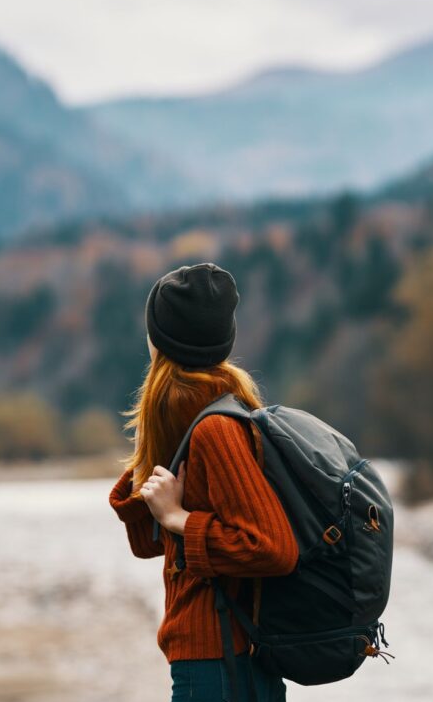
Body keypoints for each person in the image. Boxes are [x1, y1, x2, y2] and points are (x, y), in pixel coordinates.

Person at [108, 262, 298, 702]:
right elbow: (147, 543)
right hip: (220, 661)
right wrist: (150, 455)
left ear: (159, 340)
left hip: (223, 662)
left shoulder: (216, 429)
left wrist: (178, 518)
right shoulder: (190, 421)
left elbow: (272, 547)